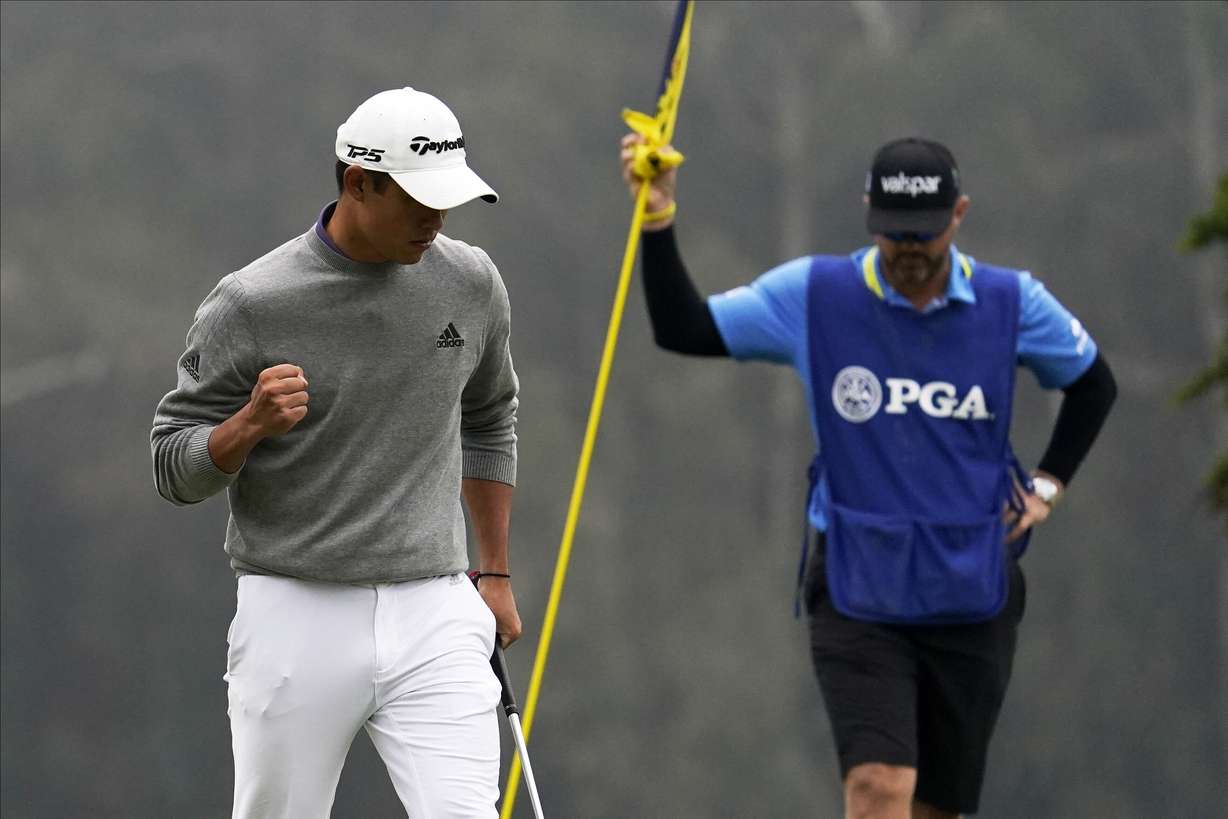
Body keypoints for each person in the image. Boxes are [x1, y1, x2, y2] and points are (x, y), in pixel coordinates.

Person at [620, 133, 1116, 819]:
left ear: (959, 215)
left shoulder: (1012, 302)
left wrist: (1048, 486)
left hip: (972, 588)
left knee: (935, 809)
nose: (910, 252)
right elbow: (684, 327)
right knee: (879, 788)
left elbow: (1094, 384)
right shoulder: (816, 294)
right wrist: (656, 216)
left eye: (926, 236)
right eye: (894, 236)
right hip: (859, 587)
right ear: (867, 215)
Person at [152, 87, 521, 819]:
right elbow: (171, 461)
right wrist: (248, 425)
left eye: (447, 200)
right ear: (359, 182)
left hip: (436, 604)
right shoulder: (251, 301)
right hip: (295, 606)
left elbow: (489, 417)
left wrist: (497, 571)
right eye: (418, 201)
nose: (436, 220)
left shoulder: (471, 281)